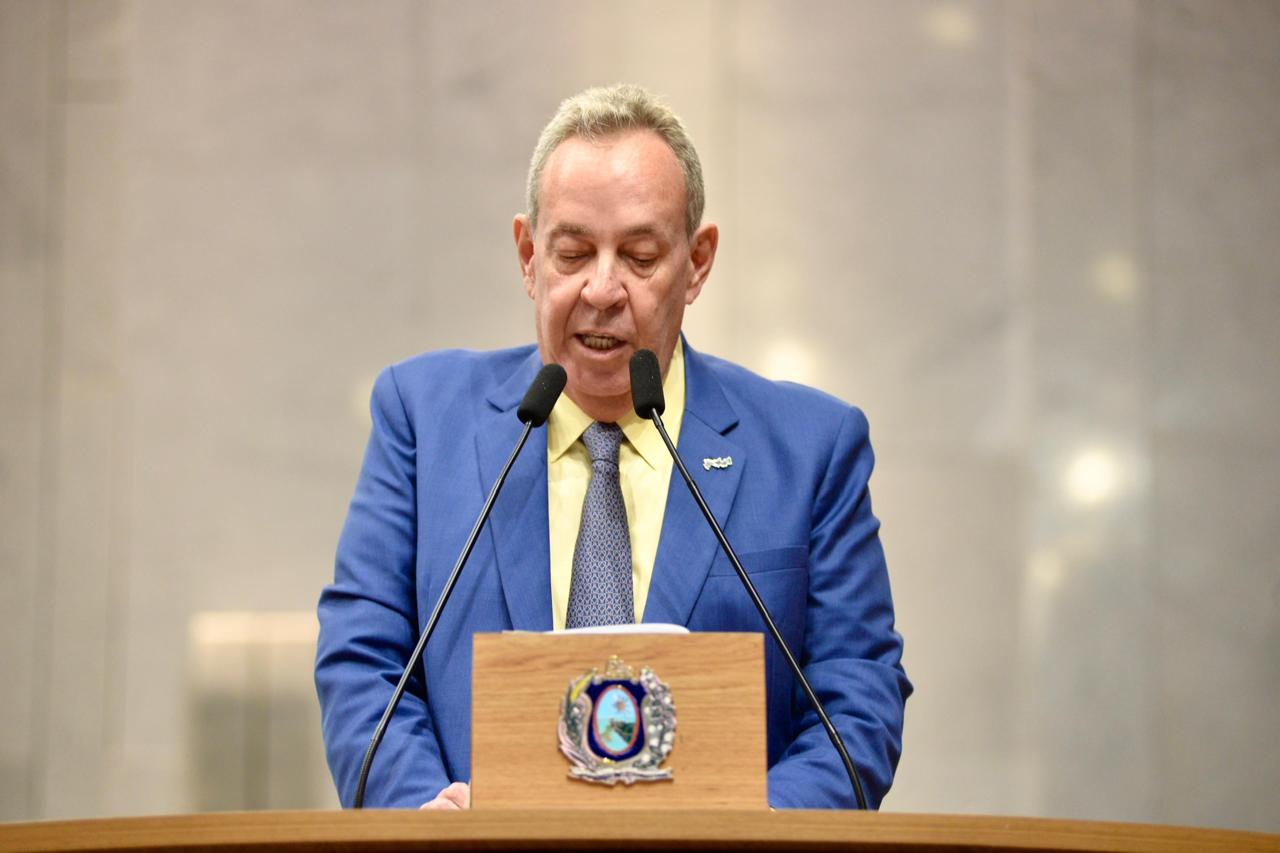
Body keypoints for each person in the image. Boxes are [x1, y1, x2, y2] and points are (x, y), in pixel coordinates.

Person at [315, 84, 911, 811]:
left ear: (697, 263)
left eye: (639, 255)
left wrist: (743, 831)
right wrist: (426, 812)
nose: (602, 289)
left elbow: (857, 700)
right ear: (528, 256)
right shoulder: (422, 417)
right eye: (572, 254)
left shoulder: (811, 448)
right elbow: (363, 661)